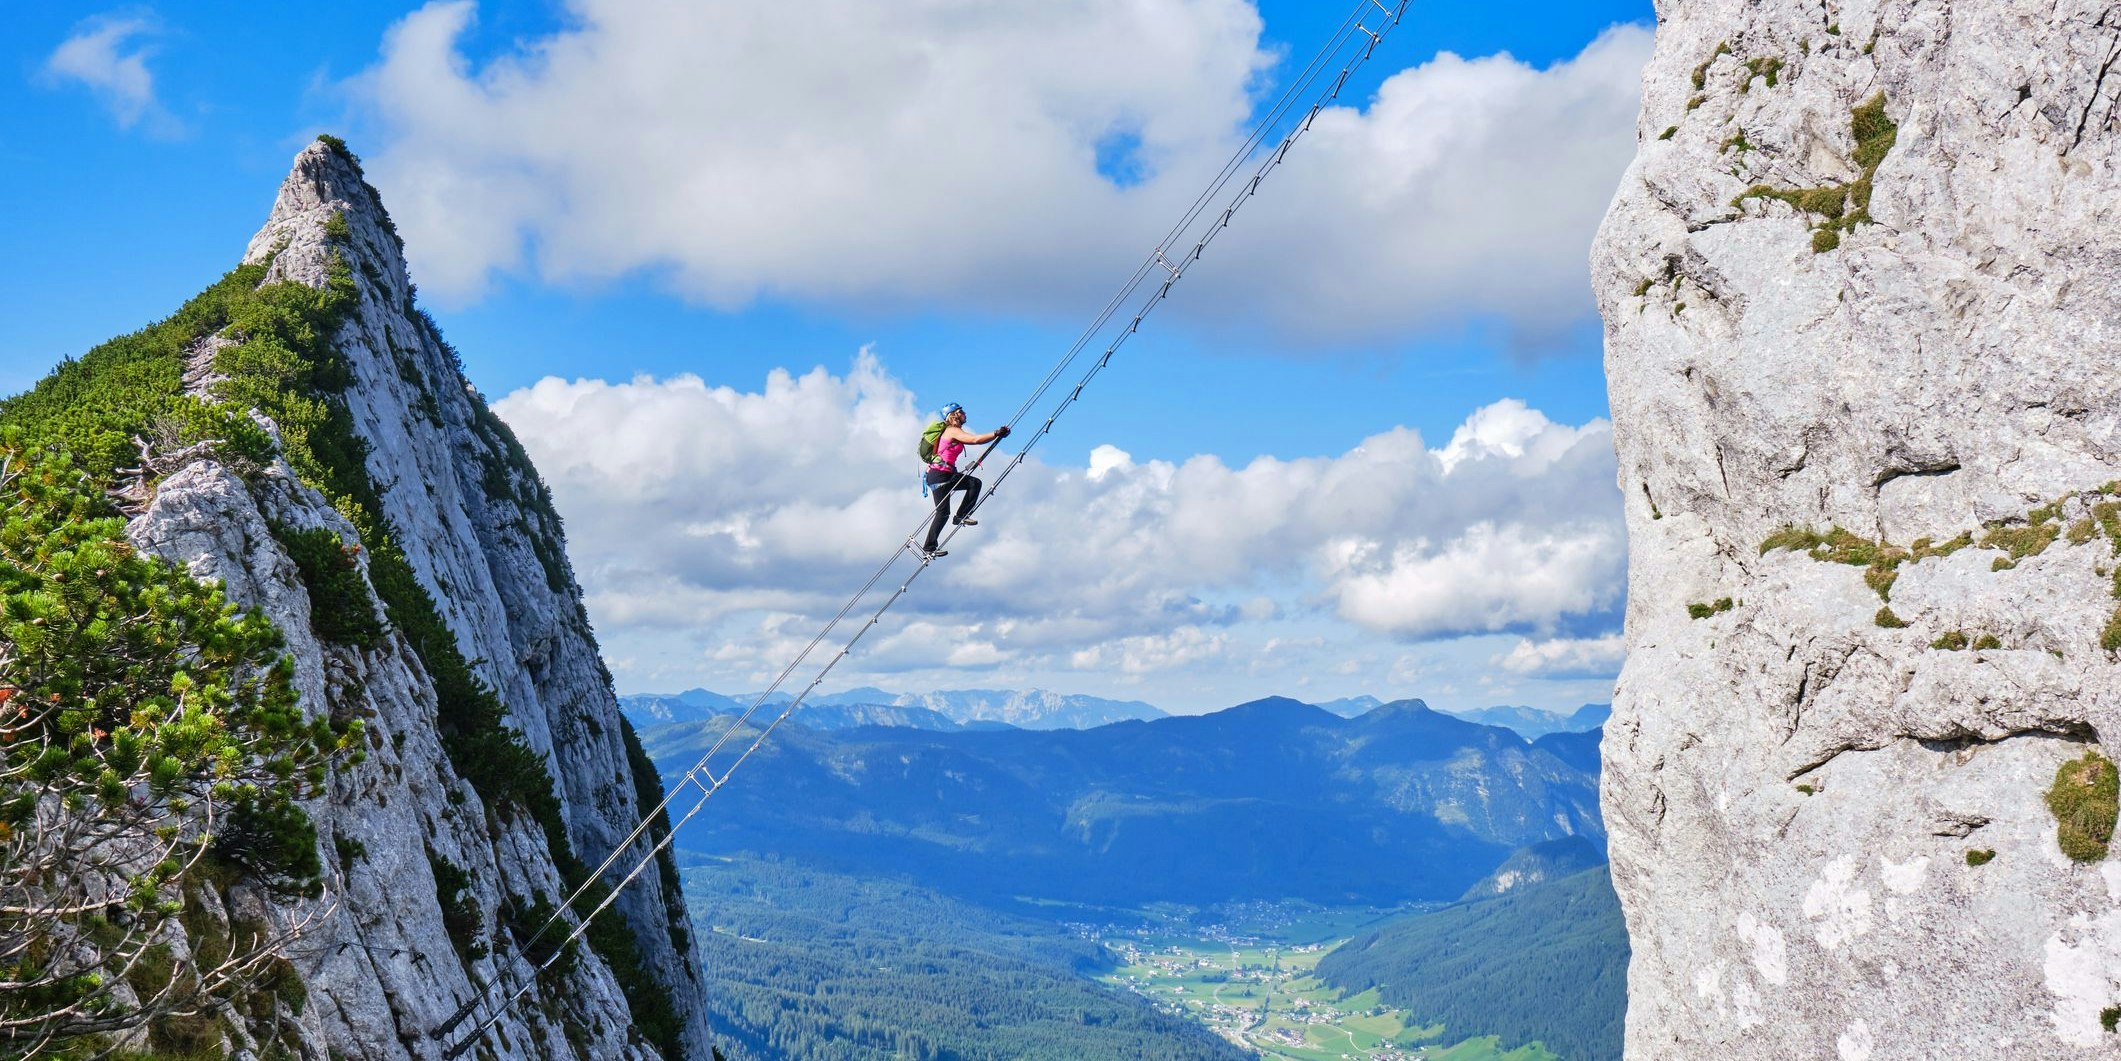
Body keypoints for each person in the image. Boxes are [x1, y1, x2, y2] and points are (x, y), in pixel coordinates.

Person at [919, 403, 1008, 558]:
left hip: (945, 474)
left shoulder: (954, 431)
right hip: (939, 475)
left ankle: (960, 516)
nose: (965, 414)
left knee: (974, 484)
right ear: (954, 415)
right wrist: (995, 433)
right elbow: (975, 440)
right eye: (962, 412)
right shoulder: (952, 430)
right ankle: (929, 546)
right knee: (943, 512)